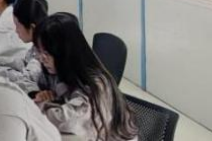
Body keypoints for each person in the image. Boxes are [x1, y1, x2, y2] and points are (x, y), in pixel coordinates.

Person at [33, 13, 138, 141]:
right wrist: (52, 98)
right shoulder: (64, 72)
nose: (41, 58)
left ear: (65, 51)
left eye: (46, 53)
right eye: (39, 51)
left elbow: (69, 121)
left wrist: (40, 106)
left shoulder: (95, 84)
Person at [0, 0, 49, 93]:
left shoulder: (44, 49)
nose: (16, 30)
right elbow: (24, 62)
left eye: (18, 26)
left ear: (32, 27)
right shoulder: (36, 44)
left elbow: (27, 78)